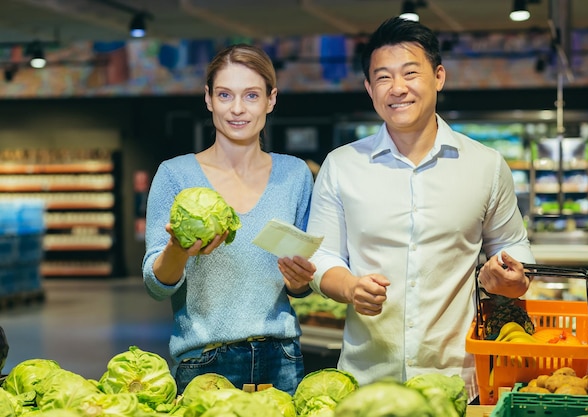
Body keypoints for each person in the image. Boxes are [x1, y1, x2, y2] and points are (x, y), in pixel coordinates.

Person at [306, 17, 535, 401]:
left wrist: (512, 279)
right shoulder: (341, 165)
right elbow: (323, 254)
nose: (398, 88)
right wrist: (349, 287)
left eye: (410, 73)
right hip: (366, 383)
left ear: (439, 76)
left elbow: (514, 246)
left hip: (457, 382)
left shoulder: (486, 165)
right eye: (383, 78)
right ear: (368, 88)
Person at [142, 44, 315, 396]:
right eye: (225, 95)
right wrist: (178, 248)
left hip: (281, 357)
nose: (238, 109)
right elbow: (156, 285)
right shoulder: (175, 175)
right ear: (208, 99)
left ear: (271, 99)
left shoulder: (295, 174)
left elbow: (299, 285)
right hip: (203, 362)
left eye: (251, 95)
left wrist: (300, 280)